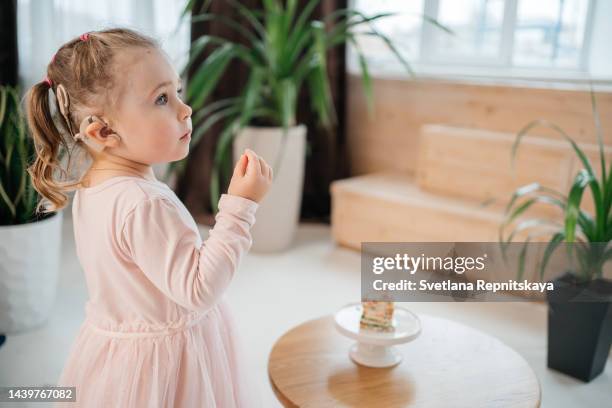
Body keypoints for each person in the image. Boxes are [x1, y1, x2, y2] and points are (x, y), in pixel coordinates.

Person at [25, 28, 271, 407]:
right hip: (168, 368)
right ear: (104, 130)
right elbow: (198, 290)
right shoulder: (143, 203)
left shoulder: (94, 186)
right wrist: (241, 207)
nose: (184, 109)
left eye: (178, 92)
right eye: (161, 98)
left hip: (120, 354)